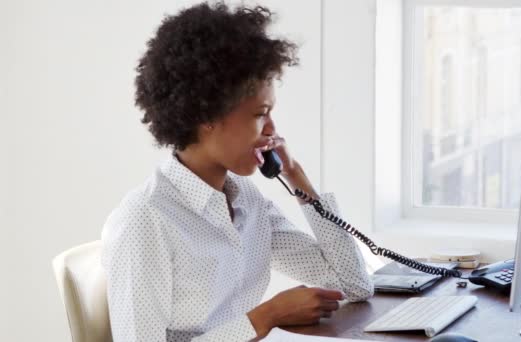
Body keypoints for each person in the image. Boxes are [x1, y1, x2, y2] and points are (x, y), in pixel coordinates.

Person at [101, 2, 374, 341]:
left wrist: (295, 175)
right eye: (261, 114)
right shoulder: (145, 220)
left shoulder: (246, 202)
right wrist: (265, 317)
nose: (272, 129)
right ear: (207, 116)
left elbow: (353, 284)